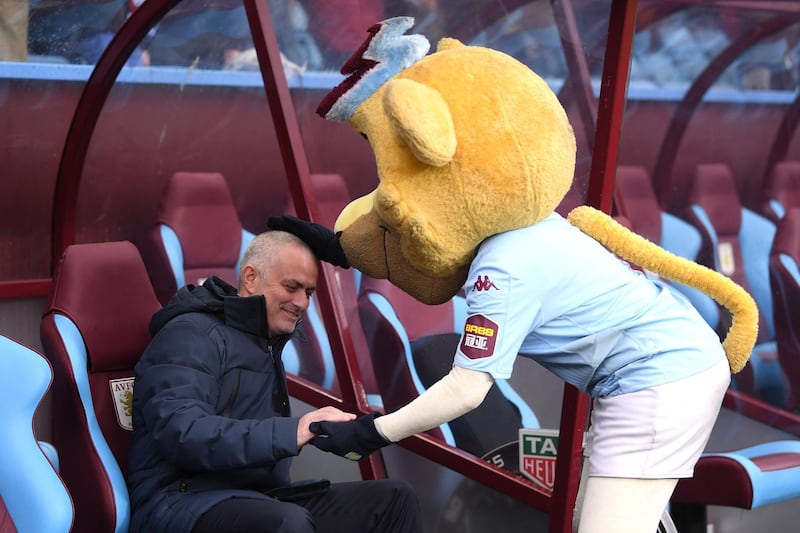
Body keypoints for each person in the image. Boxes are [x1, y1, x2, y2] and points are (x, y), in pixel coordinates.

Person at [126, 229, 423, 533]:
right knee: (287, 523)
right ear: (251, 277)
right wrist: (294, 430)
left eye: (308, 292)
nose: (302, 302)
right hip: (181, 502)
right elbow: (182, 433)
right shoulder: (190, 333)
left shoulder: (265, 342)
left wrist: (329, 431)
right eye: (291, 287)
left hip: (256, 496)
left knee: (393, 500)